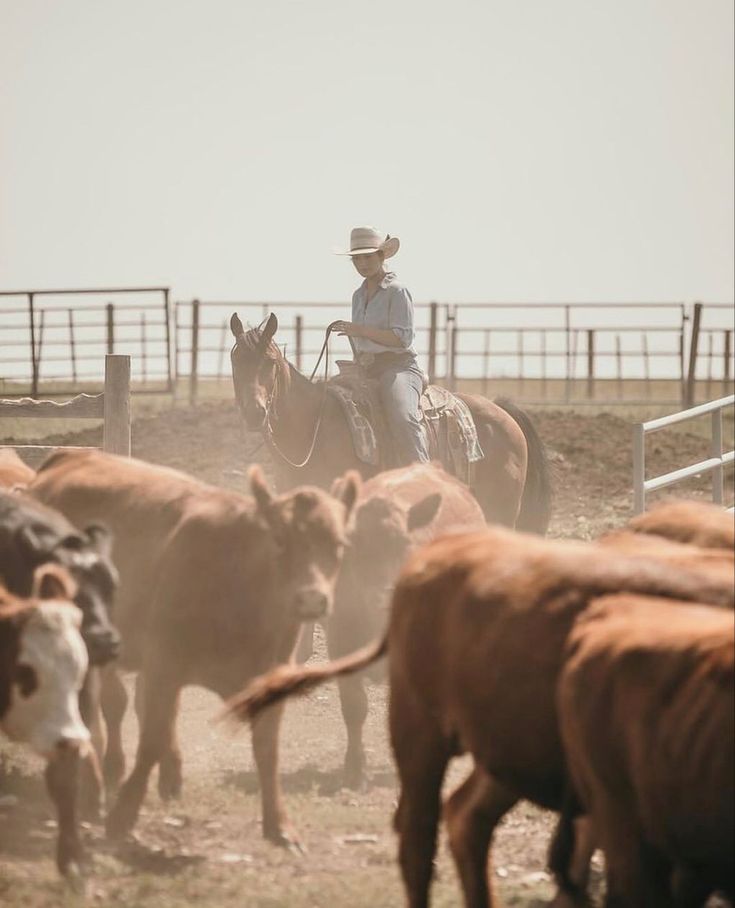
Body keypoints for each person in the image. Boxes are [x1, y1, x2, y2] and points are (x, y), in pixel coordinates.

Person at [333, 225, 430, 465]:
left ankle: (424, 473)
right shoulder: (358, 295)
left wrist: (359, 330)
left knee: (402, 415)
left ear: (381, 256)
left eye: (367, 257)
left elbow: (402, 338)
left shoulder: (397, 292)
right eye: (357, 259)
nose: (362, 263)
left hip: (398, 367)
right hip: (365, 368)